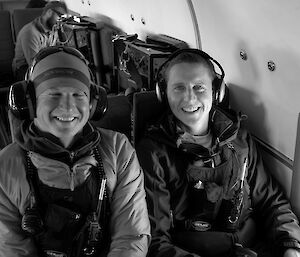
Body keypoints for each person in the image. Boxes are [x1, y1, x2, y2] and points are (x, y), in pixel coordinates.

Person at [136, 48, 300, 257]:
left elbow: (271, 200)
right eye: (178, 88)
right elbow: (157, 242)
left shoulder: (239, 139)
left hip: (249, 248)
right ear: (163, 93)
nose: (189, 97)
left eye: (199, 87)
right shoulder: (153, 152)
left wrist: (291, 245)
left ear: (216, 92)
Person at [0, 45, 150, 257]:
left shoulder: (119, 149)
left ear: (93, 103)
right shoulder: (5, 167)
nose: (68, 107)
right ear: (30, 102)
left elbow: (131, 236)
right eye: (54, 93)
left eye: (78, 95)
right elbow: (12, 250)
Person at [12, 1, 68, 81]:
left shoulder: (53, 28)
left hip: (44, 63)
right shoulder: (30, 32)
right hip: (25, 68)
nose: (60, 20)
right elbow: (34, 64)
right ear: (49, 12)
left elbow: (59, 48)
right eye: (59, 16)